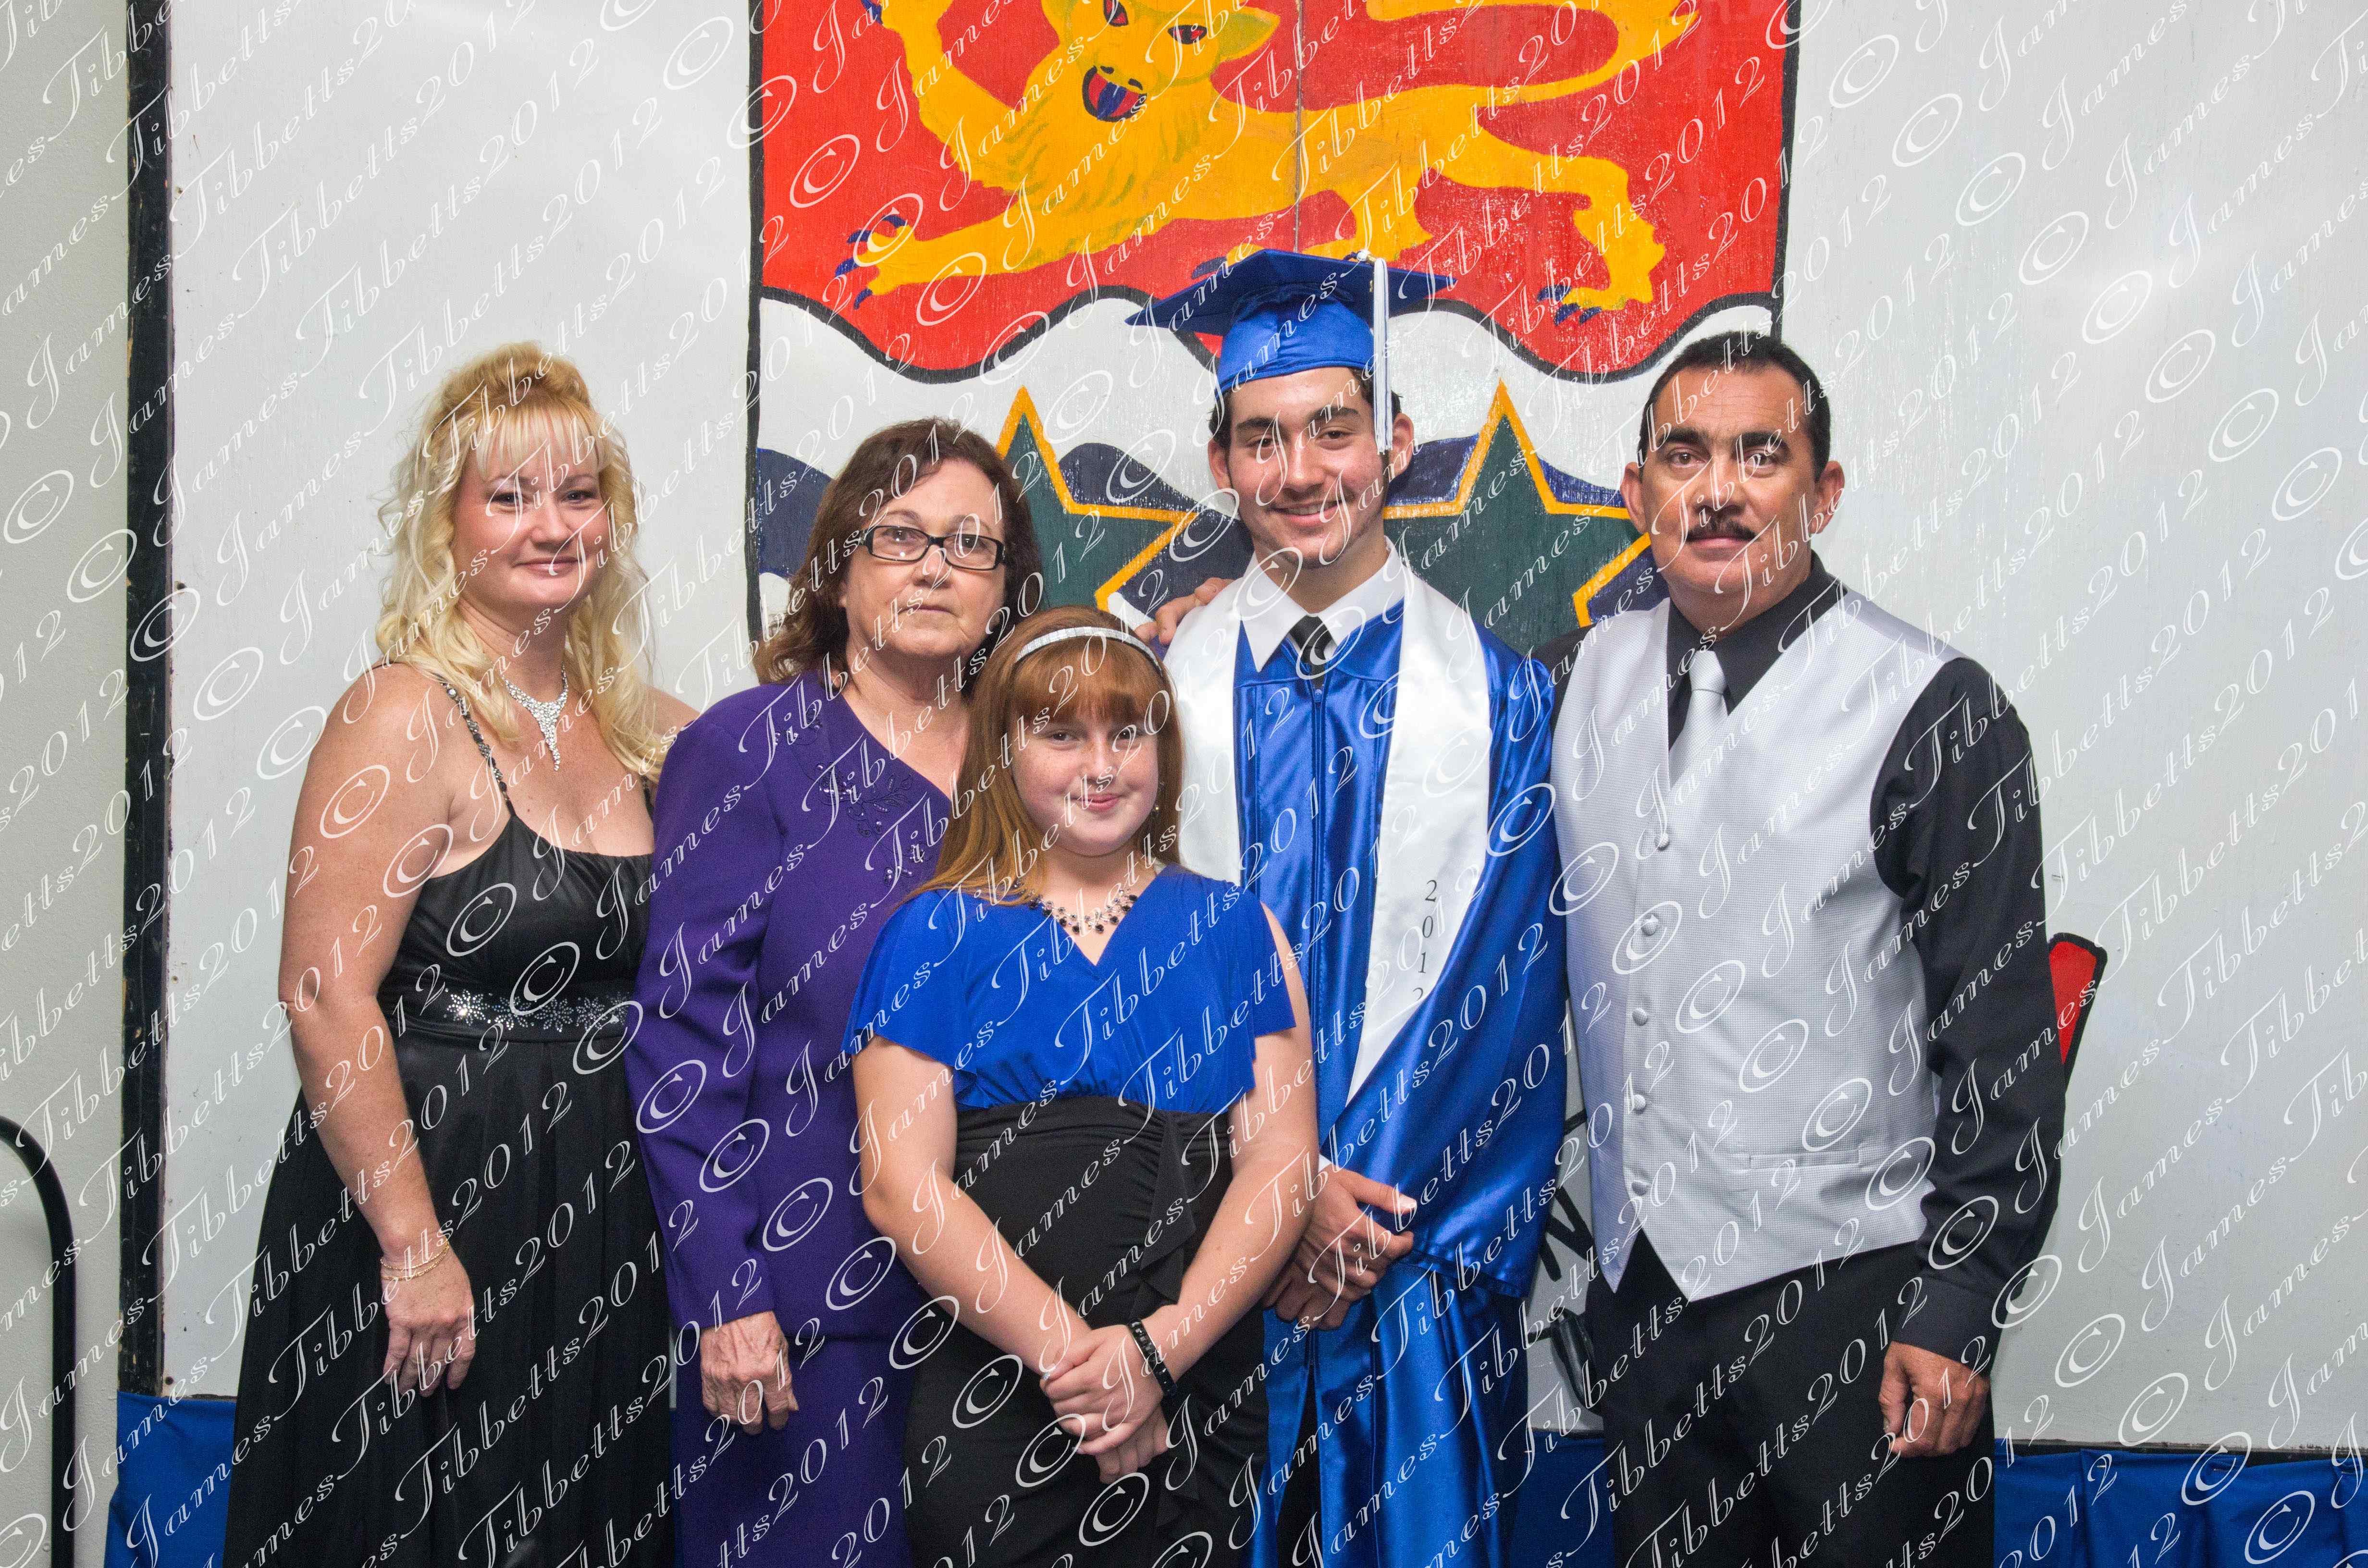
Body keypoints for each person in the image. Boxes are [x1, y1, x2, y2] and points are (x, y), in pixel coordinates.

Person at [1551, 331, 2065, 1564]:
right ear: (1636, 492)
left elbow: (1999, 1038)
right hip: (1645, 1306)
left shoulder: (1932, 704)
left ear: (1822, 492)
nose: (1717, 489)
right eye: (1684, 455)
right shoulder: (1575, 677)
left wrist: (1961, 1300)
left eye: (1759, 455)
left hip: (1858, 1297)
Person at [1129, 250, 1570, 1568]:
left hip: (1407, 1260)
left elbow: (1510, 989)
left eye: (1333, 428)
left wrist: (1344, 1209)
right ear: (1220, 461)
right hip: (1201, 1259)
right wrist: (1274, 1192)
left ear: (1398, 444)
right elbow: (1132, 975)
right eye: (1262, 438)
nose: (1300, 470)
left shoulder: (1502, 702)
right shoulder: (1148, 704)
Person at [222, 344, 692, 1568]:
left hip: (604, 1207)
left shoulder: (642, 728)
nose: (553, 526)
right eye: (511, 496)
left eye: (579, 494)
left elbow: (817, 769)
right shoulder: (400, 712)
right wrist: (414, 1246)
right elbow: (322, 995)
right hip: (440, 1195)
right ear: (448, 523)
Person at [624, 419, 1045, 1568]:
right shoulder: (748, 750)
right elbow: (679, 1045)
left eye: (969, 544)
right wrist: (727, 1291)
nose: (934, 568)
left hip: (1022, 1306)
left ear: (1006, 583)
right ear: (836, 568)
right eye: (899, 537)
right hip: (812, 1315)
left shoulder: (1043, 761)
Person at [845, 605, 1319, 1567]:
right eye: (1062, 734)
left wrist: (1159, 1353)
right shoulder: (933, 934)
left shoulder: (1238, 929)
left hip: (1198, 1391)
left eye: (1127, 733)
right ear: (1001, 749)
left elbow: (1281, 1163)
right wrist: (1088, 1370)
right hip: (1001, 1395)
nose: (1101, 766)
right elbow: (902, 1189)